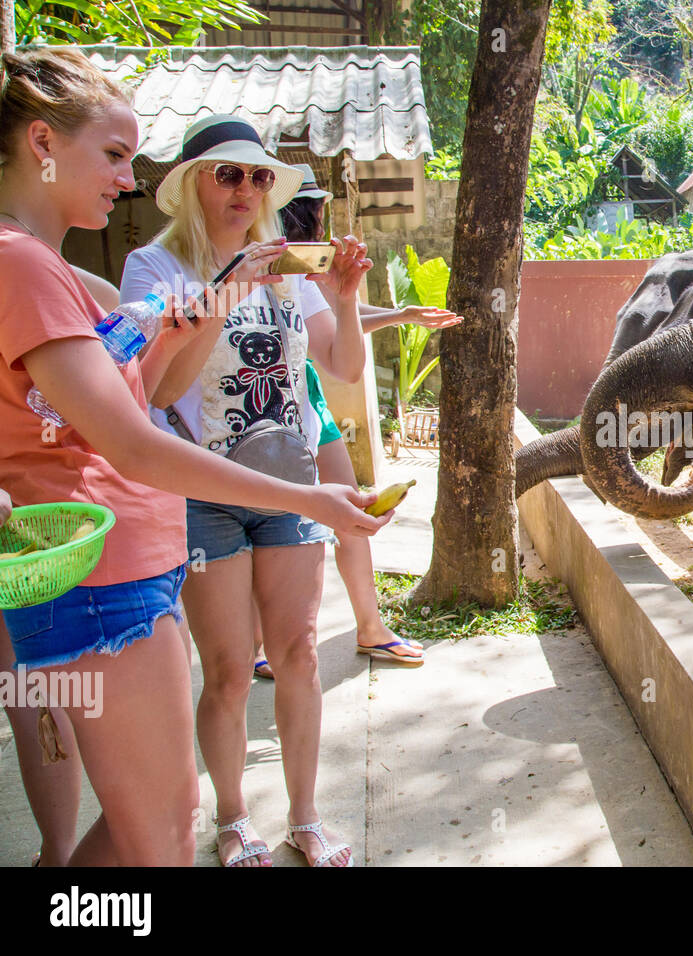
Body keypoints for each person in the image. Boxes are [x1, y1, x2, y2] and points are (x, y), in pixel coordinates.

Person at [0, 48, 386, 867]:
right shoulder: (28, 264)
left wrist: (330, 305)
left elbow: (125, 395)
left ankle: (300, 816)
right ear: (42, 142)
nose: (124, 177)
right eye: (112, 155)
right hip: (112, 579)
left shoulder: (47, 266)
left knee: (159, 816)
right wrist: (312, 500)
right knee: (169, 827)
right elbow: (139, 440)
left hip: (130, 568)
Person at [119, 114, 379, 867]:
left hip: (294, 485)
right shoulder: (154, 269)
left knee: (297, 651)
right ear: (191, 183)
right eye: (229, 173)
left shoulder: (287, 269)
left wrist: (346, 292)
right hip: (203, 492)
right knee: (231, 670)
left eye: (260, 176)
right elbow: (160, 386)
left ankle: (305, 815)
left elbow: (344, 366)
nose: (246, 189)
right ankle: (233, 818)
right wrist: (232, 287)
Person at [250, 166, 463, 678]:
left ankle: (370, 627)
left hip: (308, 398)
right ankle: (260, 643)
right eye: (313, 205)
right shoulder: (267, 257)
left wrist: (401, 314)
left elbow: (331, 316)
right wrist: (399, 314)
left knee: (354, 514)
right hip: (258, 409)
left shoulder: (306, 260)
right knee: (262, 523)